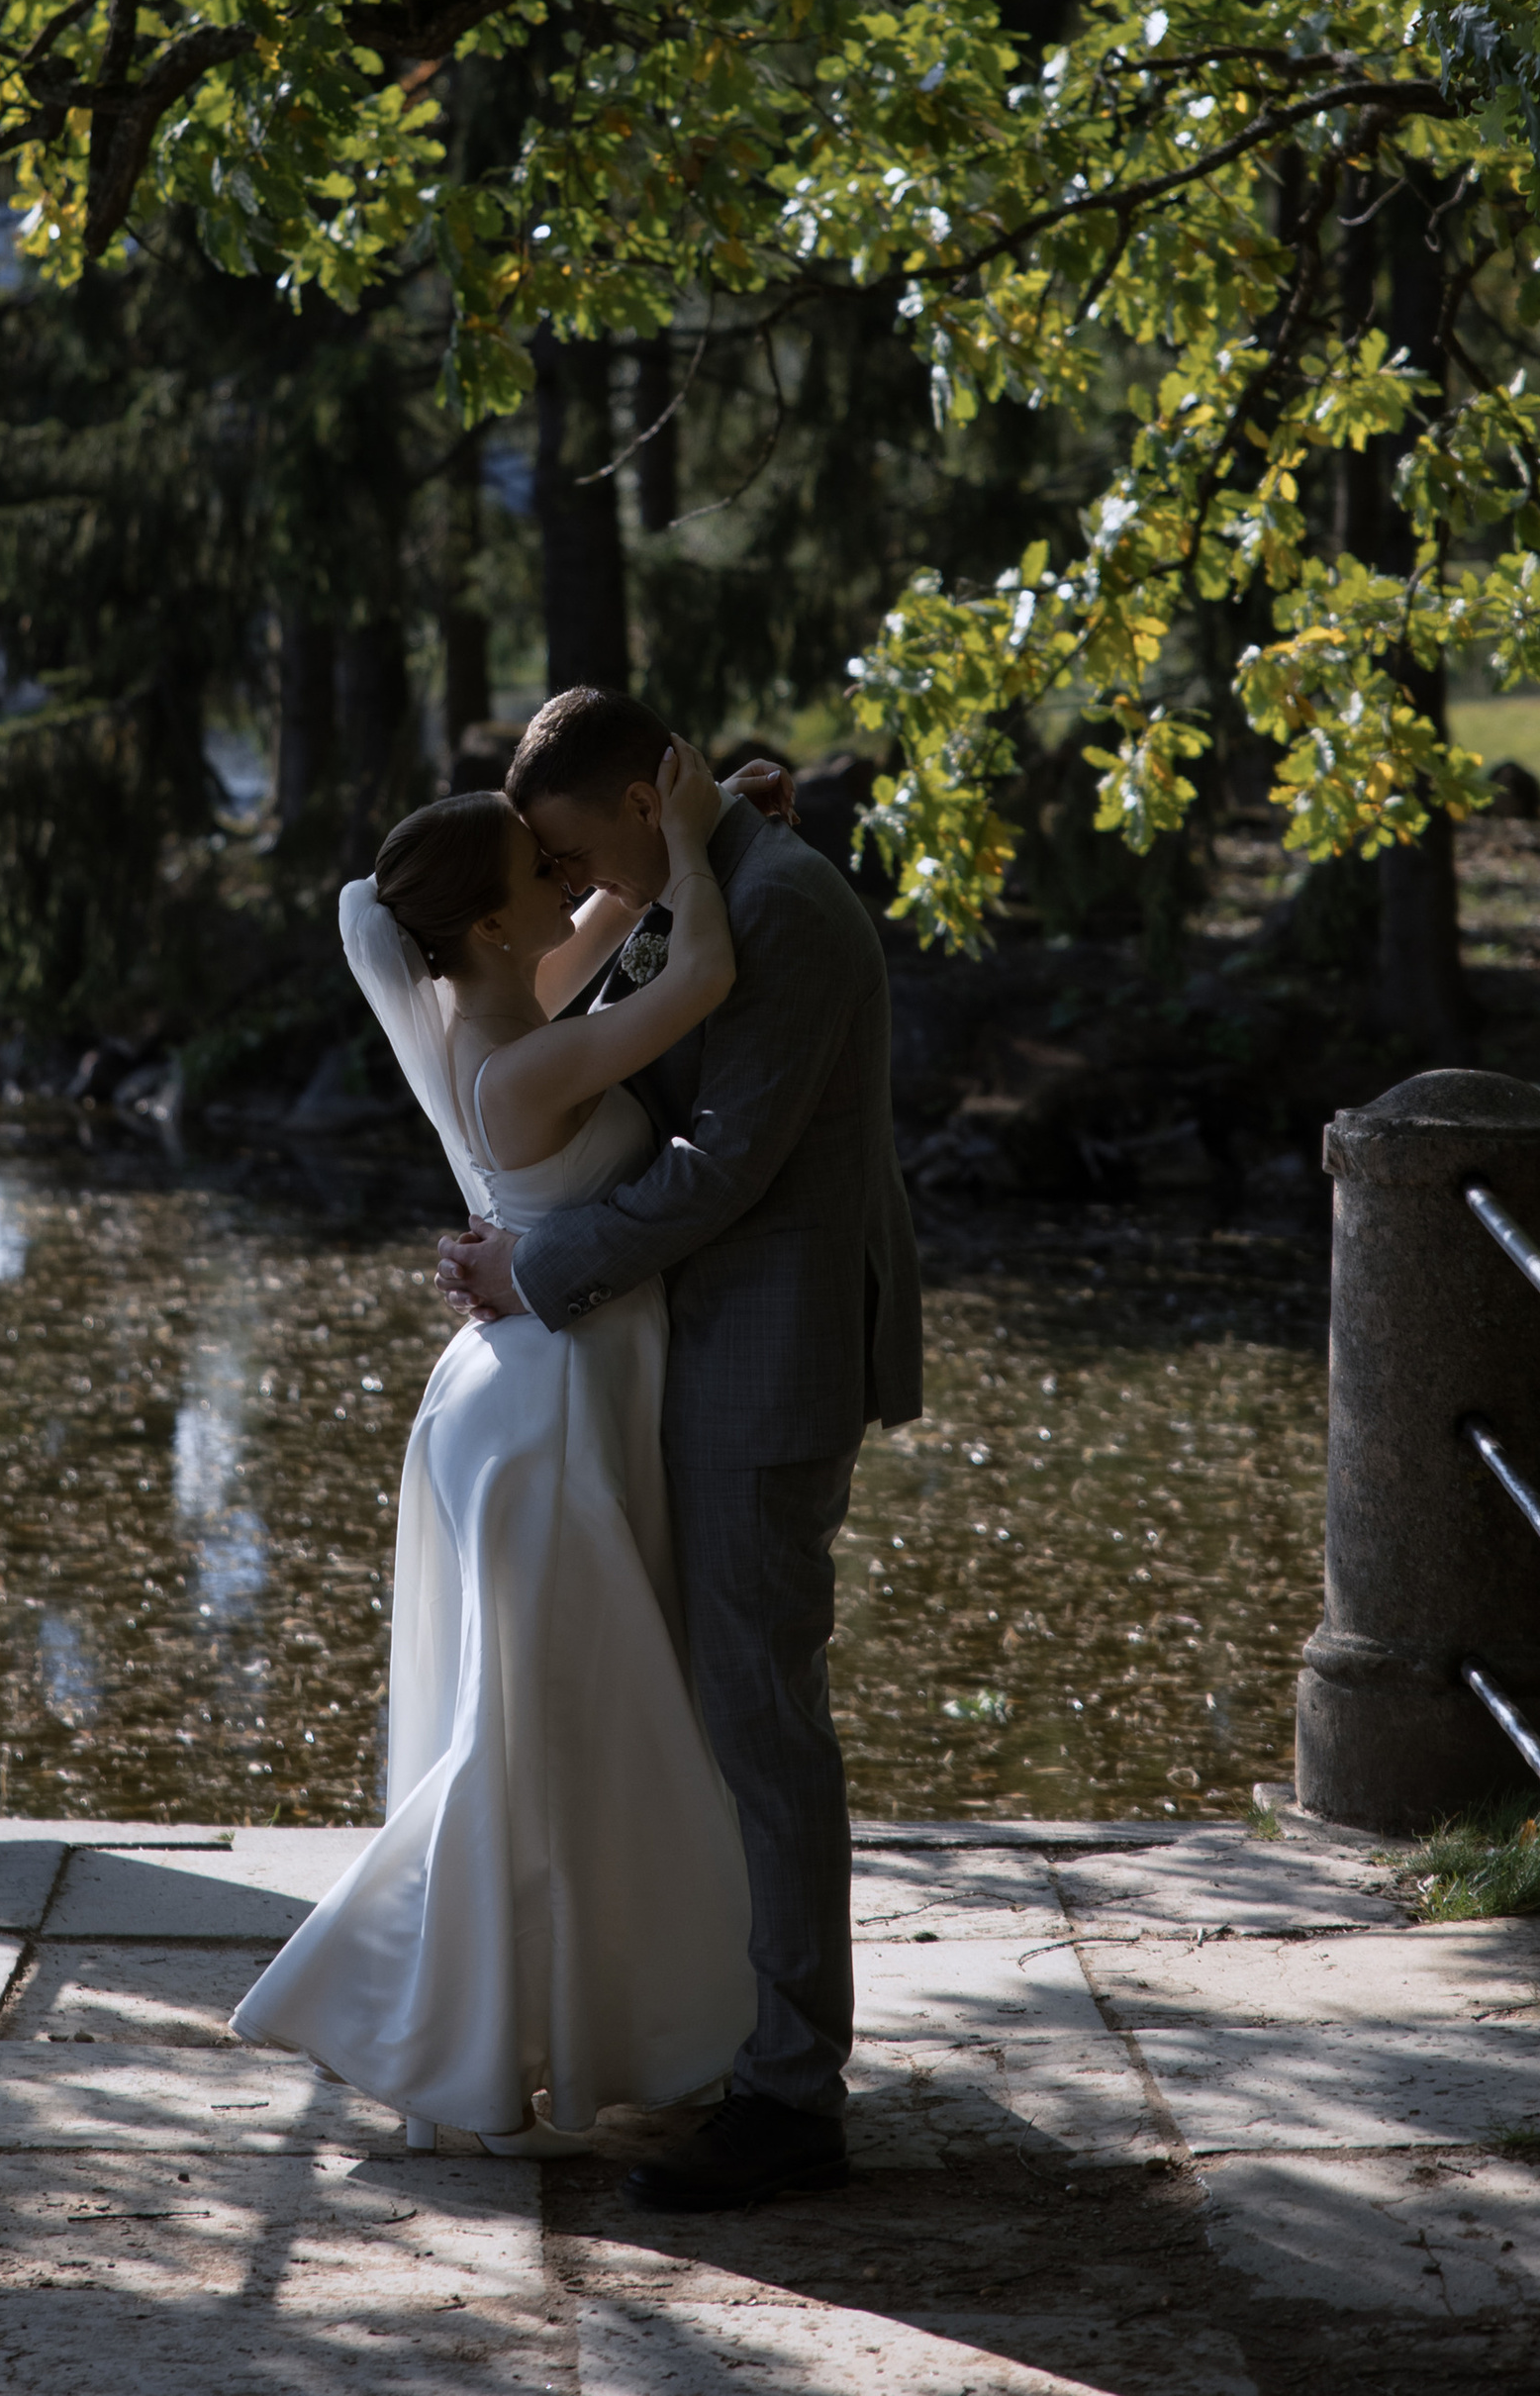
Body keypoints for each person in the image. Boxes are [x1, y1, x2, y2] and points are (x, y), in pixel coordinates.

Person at [232, 739, 759, 2153]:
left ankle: (536, 2031)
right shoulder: (514, 1062)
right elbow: (696, 977)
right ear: (482, 920)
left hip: (535, 1383)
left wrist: (698, 831)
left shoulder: (508, 994)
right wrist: (696, 849)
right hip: (550, 1414)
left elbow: (614, 932)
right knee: (543, 1735)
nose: (572, 880)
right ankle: (381, 1996)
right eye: (545, 868)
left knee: (568, 1732)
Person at [437, 685, 920, 2214]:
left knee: (764, 1720)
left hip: (766, 1370)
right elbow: (602, 1043)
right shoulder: (708, 881)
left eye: (596, 856)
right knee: (717, 1716)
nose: (592, 895)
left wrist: (540, 1265)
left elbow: (726, 1166)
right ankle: (735, 2033)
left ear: (648, 807)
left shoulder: (788, 916)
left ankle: (794, 2099)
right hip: (692, 1359)